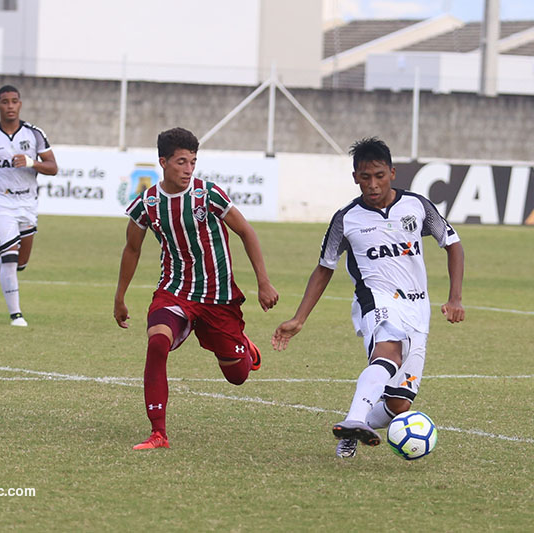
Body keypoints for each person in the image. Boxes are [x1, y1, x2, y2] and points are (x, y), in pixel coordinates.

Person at [271, 137, 464, 459]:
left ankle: (353, 432)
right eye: (364, 177)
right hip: (375, 301)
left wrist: (455, 298)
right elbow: (323, 268)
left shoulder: (416, 206)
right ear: (355, 178)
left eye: (378, 176)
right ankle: (355, 419)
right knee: (389, 349)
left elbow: (453, 244)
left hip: (417, 308)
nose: (372, 185)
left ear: (392, 172)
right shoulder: (346, 219)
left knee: (398, 403)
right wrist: (299, 318)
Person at [114, 127, 279, 450]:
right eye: (181, 162)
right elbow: (131, 249)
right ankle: (158, 432)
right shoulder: (146, 204)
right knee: (157, 342)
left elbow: (246, 231)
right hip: (175, 291)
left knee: (237, 377)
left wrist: (263, 281)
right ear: (163, 162)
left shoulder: (208, 195)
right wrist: (120, 297)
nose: (188, 169)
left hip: (218, 298)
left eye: (192, 162)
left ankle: (245, 347)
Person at [0, 85, 58, 326]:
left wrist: (31, 162)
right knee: (10, 258)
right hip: (1, 202)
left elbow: (53, 168)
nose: (10, 106)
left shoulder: (34, 134)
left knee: (20, 263)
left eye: (14, 101)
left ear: (20, 104)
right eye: (5, 102)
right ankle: (16, 315)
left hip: (27, 203)